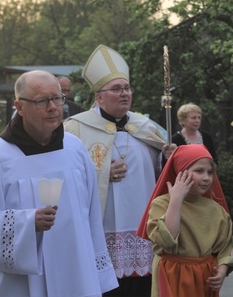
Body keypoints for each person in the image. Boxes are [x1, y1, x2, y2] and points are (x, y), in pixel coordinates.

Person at [0, 70, 118, 296]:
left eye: (57, 98)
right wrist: (26, 223)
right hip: (21, 283)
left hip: (75, 272)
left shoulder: (74, 149)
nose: (53, 107)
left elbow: (92, 215)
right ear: (19, 106)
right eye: (42, 101)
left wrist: (97, 273)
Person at [64, 44, 170, 296]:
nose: (124, 94)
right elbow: (66, 174)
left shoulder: (147, 127)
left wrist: (167, 159)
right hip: (103, 228)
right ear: (98, 96)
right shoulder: (75, 129)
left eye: (127, 88)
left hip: (145, 228)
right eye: (116, 89)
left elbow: (162, 175)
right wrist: (100, 174)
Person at [137, 144, 233, 297]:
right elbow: (166, 240)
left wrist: (221, 271)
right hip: (172, 275)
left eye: (210, 172)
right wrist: (176, 199)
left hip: (204, 278)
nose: (206, 178)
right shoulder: (162, 204)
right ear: (180, 173)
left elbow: (223, 250)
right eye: (199, 171)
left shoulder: (217, 211)